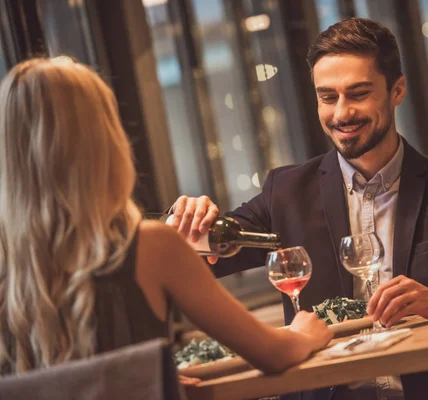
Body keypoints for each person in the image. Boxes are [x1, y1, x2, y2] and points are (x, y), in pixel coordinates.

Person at [169, 18, 428, 400]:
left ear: (397, 90)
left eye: (358, 94)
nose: (341, 113)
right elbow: (199, 256)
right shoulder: (285, 192)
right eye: (327, 96)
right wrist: (186, 222)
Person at [0, 58, 332, 378]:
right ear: (101, 139)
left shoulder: (10, 258)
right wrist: (304, 332)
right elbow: (273, 354)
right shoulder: (150, 245)